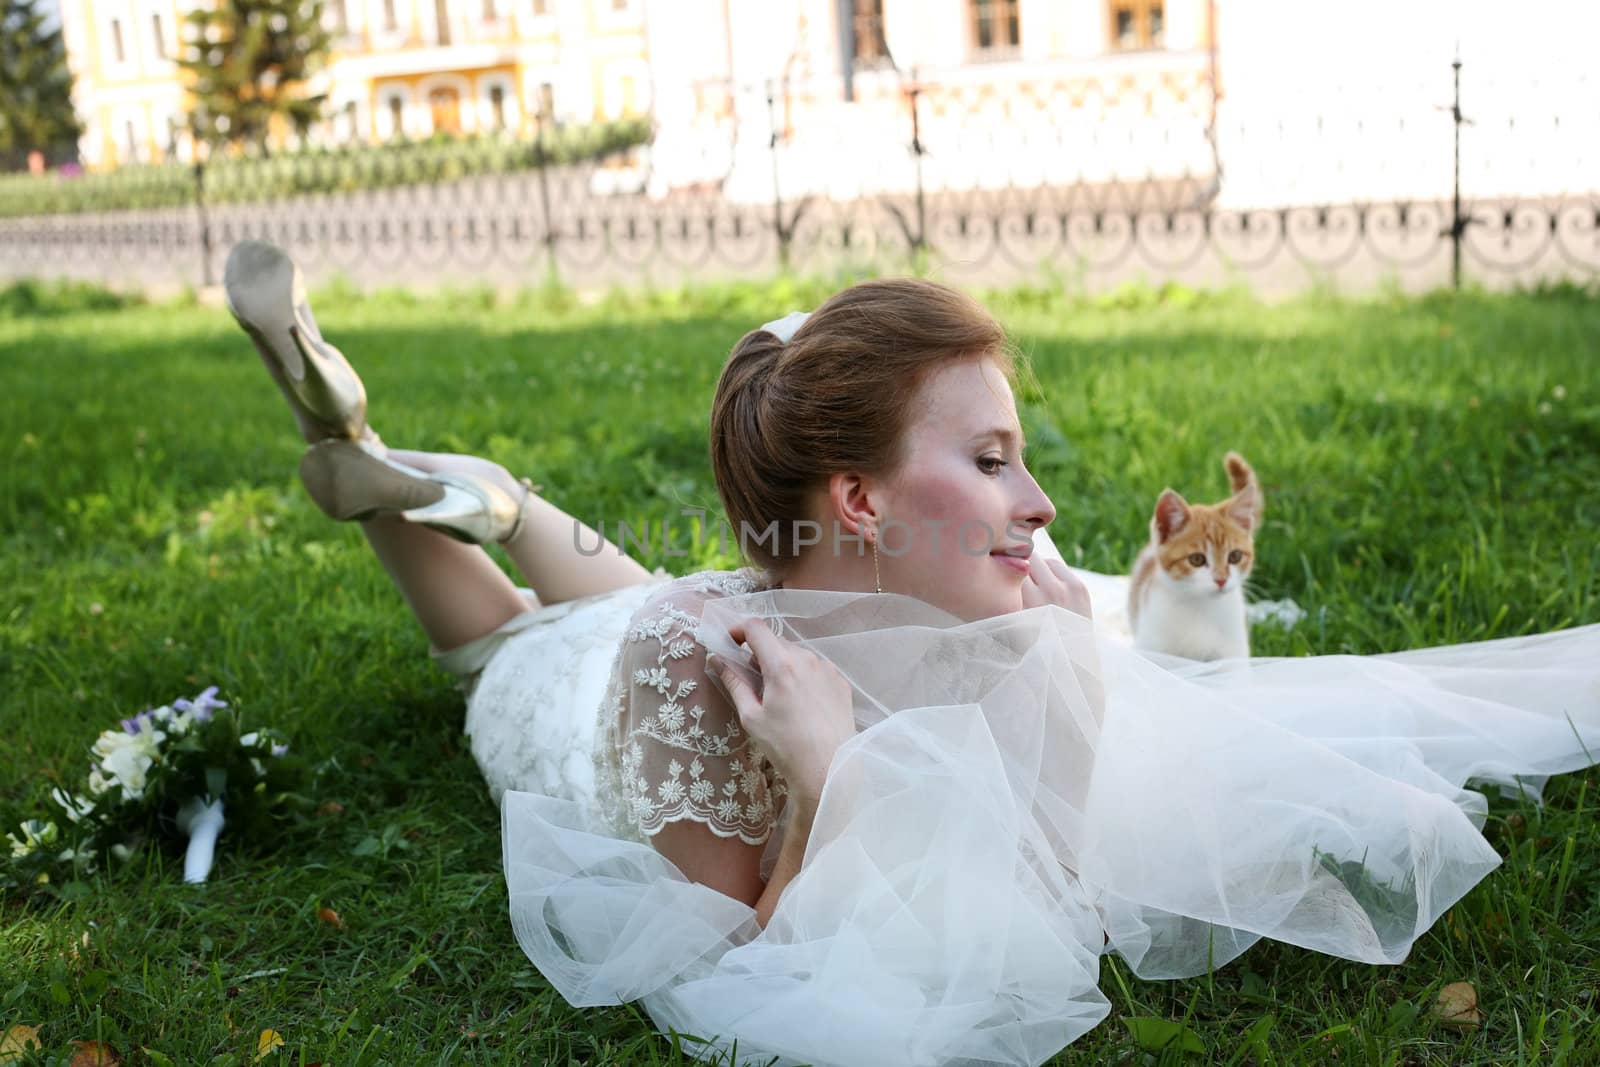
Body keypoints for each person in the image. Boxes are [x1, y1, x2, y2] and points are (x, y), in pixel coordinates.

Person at [225, 240, 1600, 1067]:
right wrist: (823, 776)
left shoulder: (1029, 610)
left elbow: (1057, 896)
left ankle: (468, 488)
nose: (1044, 504)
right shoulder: (680, 671)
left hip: (730, 601)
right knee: (516, 648)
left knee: (624, 592)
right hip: (594, 704)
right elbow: (730, 982)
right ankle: (384, 476)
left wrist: (1059, 669)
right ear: (865, 503)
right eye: (995, 461)